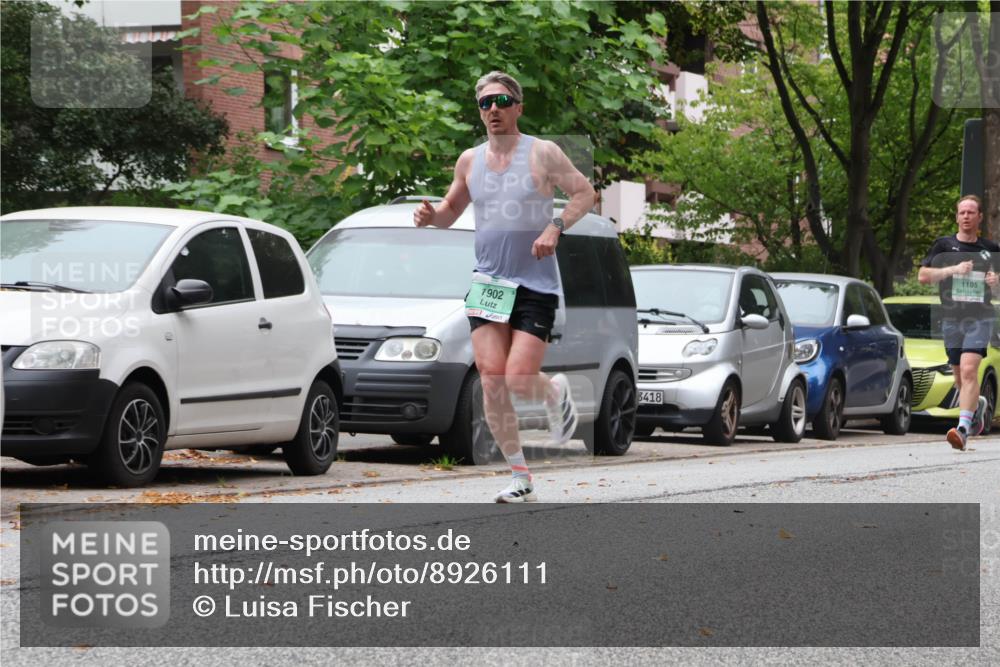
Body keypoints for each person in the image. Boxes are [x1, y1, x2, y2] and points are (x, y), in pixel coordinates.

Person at [413, 71, 595, 502]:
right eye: (484, 103)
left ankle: (554, 391)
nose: (492, 109)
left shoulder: (543, 153)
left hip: (535, 282)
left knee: (517, 379)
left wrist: (554, 228)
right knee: (491, 381)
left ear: (517, 107)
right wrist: (430, 217)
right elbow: (450, 210)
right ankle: (520, 478)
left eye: (500, 101)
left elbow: (585, 194)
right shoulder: (469, 160)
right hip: (488, 282)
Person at [918, 194, 999, 450]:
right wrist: (952, 270)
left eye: (971, 212)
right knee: (959, 378)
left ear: (979, 217)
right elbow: (923, 276)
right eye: (962, 212)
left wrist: (995, 284)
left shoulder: (992, 250)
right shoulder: (943, 246)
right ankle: (978, 407)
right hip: (951, 318)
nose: (966, 216)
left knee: (968, 370)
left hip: (980, 316)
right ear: (957, 217)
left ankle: (962, 429)